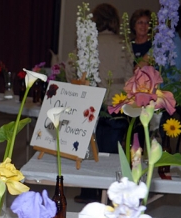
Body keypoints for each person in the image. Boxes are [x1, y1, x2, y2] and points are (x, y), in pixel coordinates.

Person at [75, 4, 132, 204]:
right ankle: (112, 192)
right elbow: (129, 75)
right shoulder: (123, 43)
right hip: (118, 100)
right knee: (114, 149)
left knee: (90, 146)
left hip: (93, 97)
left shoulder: (91, 42)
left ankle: (88, 192)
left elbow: (79, 71)